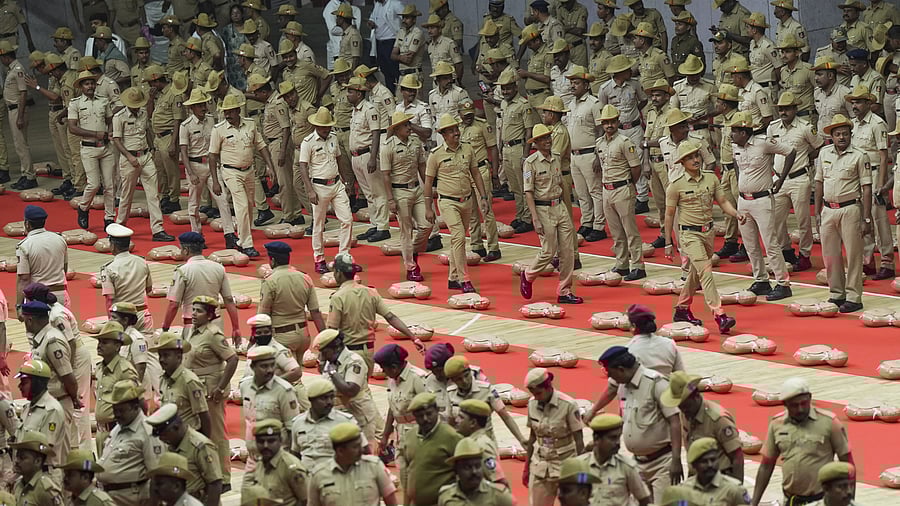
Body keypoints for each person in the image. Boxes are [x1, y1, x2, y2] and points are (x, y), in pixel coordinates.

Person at [664, 140, 743, 331]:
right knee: (706, 272)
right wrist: (668, 242)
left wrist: (736, 214)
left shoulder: (711, 178)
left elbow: (723, 201)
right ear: (682, 162)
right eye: (690, 158)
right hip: (689, 235)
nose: (695, 160)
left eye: (696, 156)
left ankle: (682, 309)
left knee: (695, 273)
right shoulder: (675, 185)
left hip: (708, 232)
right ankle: (719, 315)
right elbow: (669, 215)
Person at [598, 346, 683, 503]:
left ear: (621, 369)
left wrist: (676, 460)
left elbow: (675, 420)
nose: (610, 377)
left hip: (662, 463)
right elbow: (624, 418)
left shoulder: (656, 383)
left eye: (611, 373)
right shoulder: (622, 386)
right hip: (637, 463)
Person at [750, 377, 852, 506]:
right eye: (794, 405)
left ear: (810, 398)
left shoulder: (829, 423)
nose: (800, 409)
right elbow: (766, 466)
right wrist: (754, 503)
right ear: (785, 404)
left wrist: (849, 501)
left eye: (804, 403)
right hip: (791, 500)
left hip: (821, 500)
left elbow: (848, 464)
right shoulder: (776, 424)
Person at [730, 110, 797, 300]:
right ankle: (761, 280)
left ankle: (783, 283)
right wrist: (740, 181)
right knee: (750, 244)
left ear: (744, 132)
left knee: (770, 243)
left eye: (734, 131)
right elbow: (736, 163)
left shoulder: (763, 143)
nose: (731, 134)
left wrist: (780, 180)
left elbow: (790, 151)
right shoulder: (735, 147)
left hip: (762, 200)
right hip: (743, 200)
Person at [425, 114, 492, 292]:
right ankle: (465, 279)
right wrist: (428, 207)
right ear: (443, 135)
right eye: (451, 131)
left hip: (467, 200)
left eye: (456, 129)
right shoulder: (435, 155)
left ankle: (453, 277)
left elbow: (476, 173)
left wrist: (483, 198)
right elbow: (428, 182)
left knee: (458, 240)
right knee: (459, 236)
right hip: (448, 202)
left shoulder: (468, 148)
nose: (456, 133)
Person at [585, 304, 686, 421]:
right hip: (666, 403)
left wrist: (593, 410)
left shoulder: (629, 350)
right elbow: (682, 377)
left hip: (637, 406)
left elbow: (612, 388)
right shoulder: (669, 344)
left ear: (633, 326)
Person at [208, 93, 278, 257]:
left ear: (238, 110)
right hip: (230, 171)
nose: (227, 115)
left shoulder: (250, 124)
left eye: (230, 111)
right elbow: (212, 156)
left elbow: (261, 146)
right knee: (242, 206)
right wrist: (216, 181)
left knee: (249, 206)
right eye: (225, 112)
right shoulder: (218, 129)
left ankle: (242, 239)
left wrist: (271, 167)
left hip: (249, 170)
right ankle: (247, 244)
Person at [520, 123, 583, 303]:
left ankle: (564, 290)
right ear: (536, 143)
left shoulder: (556, 157)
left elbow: (561, 183)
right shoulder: (530, 163)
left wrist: (566, 205)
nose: (547, 141)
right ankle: (528, 275)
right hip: (543, 209)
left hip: (559, 205)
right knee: (548, 251)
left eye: (548, 137)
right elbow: (528, 192)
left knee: (568, 251)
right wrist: (535, 218)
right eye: (542, 139)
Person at [815, 113, 871, 312]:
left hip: (850, 209)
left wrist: (866, 218)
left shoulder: (860, 155)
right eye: (838, 134)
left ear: (850, 135)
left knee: (854, 255)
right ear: (832, 136)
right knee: (830, 255)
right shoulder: (824, 153)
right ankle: (836, 293)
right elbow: (819, 182)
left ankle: (854, 297)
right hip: (828, 209)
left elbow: (866, 188)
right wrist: (817, 212)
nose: (841, 137)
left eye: (845, 133)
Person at [184, 296, 238, 489]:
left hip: (211, 391)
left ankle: (224, 478)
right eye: (193, 309)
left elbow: (232, 359)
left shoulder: (213, 334)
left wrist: (221, 387)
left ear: (209, 315)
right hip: (195, 389)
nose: (194, 314)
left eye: (199, 311)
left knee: (216, 433)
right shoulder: (191, 331)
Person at [769, 91, 823, 272]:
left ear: (795, 109)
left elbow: (820, 146)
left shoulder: (805, 127)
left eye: (787, 109)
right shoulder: (773, 127)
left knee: (803, 220)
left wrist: (807, 157)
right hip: (778, 177)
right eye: (781, 109)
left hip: (799, 178)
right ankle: (786, 250)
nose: (783, 112)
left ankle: (805, 255)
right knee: (776, 219)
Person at [112, 86, 175, 241]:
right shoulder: (119, 117)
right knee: (127, 194)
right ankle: (120, 225)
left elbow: (147, 131)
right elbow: (116, 140)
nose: (136, 107)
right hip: (129, 158)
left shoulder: (143, 113)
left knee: (154, 194)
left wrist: (151, 148)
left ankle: (158, 229)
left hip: (146, 156)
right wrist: (129, 156)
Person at [297, 106, 355, 273]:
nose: (326, 129)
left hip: (336, 184)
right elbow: (303, 166)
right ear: (316, 126)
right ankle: (319, 259)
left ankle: (343, 257)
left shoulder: (333, 137)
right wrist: (310, 190)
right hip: (319, 186)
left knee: (347, 220)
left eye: (328, 126)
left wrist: (346, 181)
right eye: (323, 126)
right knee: (319, 224)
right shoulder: (308, 142)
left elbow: (339, 159)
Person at [593, 104, 646, 280]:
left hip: (622, 188)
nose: (609, 125)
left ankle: (638, 266)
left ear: (618, 122)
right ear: (602, 124)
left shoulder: (625, 142)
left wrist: (629, 185)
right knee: (616, 232)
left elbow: (636, 167)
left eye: (612, 122)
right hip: (606, 190)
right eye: (606, 122)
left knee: (630, 231)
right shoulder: (599, 143)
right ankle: (622, 264)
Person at [660, 372, 744, 482]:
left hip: (719, 480)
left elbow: (737, 457)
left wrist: (737, 488)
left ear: (695, 395)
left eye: (686, 405)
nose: (683, 410)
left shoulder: (718, 419)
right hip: (696, 479)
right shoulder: (686, 413)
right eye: (680, 406)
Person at [847, 84, 894, 279]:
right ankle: (868, 261)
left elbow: (883, 156)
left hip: (874, 174)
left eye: (858, 102)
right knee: (862, 218)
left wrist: (881, 184)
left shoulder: (877, 123)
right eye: (853, 102)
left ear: (868, 103)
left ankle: (887, 262)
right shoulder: (852, 124)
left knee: (879, 219)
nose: (855, 106)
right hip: (858, 176)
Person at [180, 88, 237, 246]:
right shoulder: (185, 126)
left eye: (204, 104)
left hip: (212, 165)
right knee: (194, 203)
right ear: (192, 107)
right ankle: (196, 235)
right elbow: (183, 152)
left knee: (222, 199)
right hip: (195, 165)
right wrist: (190, 173)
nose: (203, 108)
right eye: (199, 105)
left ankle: (229, 234)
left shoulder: (211, 120)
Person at [21, 301, 79, 458]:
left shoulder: (52, 341)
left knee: (58, 455)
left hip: (58, 403)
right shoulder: (42, 338)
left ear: (30, 320)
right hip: (48, 404)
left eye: (24, 319)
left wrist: (74, 398)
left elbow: (67, 375)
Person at [381, 111, 432, 281]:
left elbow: (422, 166)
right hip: (399, 192)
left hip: (416, 189)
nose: (409, 127)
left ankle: (413, 251)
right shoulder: (388, 147)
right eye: (405, 125)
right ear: (396, 129)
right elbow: (386, 175)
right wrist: (390, 199)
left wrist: (428, 189)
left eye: (409, 124)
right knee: (406, 231)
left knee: (427, 225)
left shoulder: (415, 142)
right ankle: (411, 267)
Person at [96, 380, 165, 506]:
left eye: (121, 410)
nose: (117, 415)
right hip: (108, 497)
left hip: (130, 498)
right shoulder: (118, 427)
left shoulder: (148, 432)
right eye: (115, 410)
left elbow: (157, 475)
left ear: (135, 407)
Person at [162, 231, 241, 339]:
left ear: (186, 250)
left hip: (193, 325)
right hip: (215, 323)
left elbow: (174, 305)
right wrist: (236, 328)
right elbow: (229, 300)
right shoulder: (219, 268)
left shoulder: (182, 271)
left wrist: (165, 328)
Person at [523, 367, 584, 506]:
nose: (536, 397)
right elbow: (532, 437)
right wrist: (526, 467)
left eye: (539, 393)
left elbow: (579, 441)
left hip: (566, 464)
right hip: (541, 464)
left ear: (548, 387)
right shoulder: (532, 403)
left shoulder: (568, 405)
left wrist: (582, 473)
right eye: (533, 393)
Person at [597, 56, 650, 214]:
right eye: (627, 69)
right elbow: (603, 110)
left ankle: (642, 197)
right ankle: (626, 192)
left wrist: (634, 112)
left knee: (637, 159)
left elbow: (643, 100)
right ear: (619, 72)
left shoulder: (634, 84)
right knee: (619, 160)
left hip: (634, 127)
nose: (630, 71)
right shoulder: (605, 88)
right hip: (616, 129)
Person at [239, 346, 301, 480]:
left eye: (272, 365)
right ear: (253, 367)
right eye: (264, 366)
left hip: (277, 460)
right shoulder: (245, 386)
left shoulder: (284, 391)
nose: (269, 370)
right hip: (253, 460)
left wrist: (292, 463)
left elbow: (293, 430)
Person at [314, 329, 385, 446]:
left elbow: (350, 390)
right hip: (339, 412)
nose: (322, 356)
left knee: (364, 447)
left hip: (358, 412)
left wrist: (333, 373)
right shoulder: (331, 360)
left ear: (336, 346)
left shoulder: (354, 361)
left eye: (324, 352)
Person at [258, 241, 324, 362]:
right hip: (303, 335)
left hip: (282, 336)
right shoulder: (305, 277)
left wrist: (257, 341)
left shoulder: (270, 281)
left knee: (284, 372)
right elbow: (315, 312)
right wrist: (325, 338)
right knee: (297, 371)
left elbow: (263, 315)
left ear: (272, 260)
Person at [374, 343, 427, 490]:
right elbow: (392, 408)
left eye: (384, 368)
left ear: (394, 366)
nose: (382, 371)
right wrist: (385, 435)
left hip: (417, 433)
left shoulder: (418, 378)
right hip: (401, 433)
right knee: (404, 475)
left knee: (420, 476)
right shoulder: (392, 379)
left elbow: (429, 408)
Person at [147, 404, 223, 505]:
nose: (162, 439)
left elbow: (215, 484)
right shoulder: (170, 444)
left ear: (176, 427)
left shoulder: (200, 446)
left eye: (164, 434)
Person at [307, 422, 398, 506]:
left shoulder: (374, 466)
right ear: (340, 451)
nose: (361, 450)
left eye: (360, 445)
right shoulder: (319, 475)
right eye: (355, 447)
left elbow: (391, 502)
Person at [67, 70, 114, 230]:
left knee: (109, 186)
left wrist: (110, 133)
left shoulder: (103, 101)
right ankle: (83, 208)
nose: (90, 86)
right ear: (81, 87)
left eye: (92, 83)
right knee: (93, 184)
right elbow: (72, 128)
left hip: (106, 148)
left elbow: (110, 120)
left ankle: (109, 218)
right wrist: (95, 134)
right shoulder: (75, 103)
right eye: (87, 84)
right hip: (88, 148)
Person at [444, 356, 527, 445]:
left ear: (470, 372)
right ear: (453, 380)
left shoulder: (487, 390)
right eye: (459, 379)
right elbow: (450, 422)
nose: (464, 381)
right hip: (463, 445)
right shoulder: (450, 394)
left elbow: (505, 416)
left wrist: (521, 439)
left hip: (486, 445)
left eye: (466, 375)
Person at [346, 76, 390, 244]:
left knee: (377, 192)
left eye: (350, 91)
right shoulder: (355, 110)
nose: (347, 95)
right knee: (369, 193)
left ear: (359, 93)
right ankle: (375, 224)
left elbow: (375, 134)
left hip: (367, 155)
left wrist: (373, 157)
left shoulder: (369, 109)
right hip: (356, 156)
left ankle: (383, 227)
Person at [566, 65, 607, 242]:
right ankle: (587, 222)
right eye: (571, 83)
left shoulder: (594, 103)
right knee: (581, 193)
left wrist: (599, 155)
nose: (572, 86)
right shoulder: (571, 104)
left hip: (590, 152)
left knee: (595, 191)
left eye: (576, 83)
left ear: (586, 85)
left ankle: (599, 226)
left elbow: (601, 131)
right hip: (574, 155)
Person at [290, 376, 368, 468]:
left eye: (331, 397)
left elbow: (365, 451)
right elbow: (295, 454)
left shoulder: (345, 421)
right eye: (324, 398)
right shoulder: (298, 423)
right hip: (307, 474)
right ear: (311, 399)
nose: (329, 402)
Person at [576, 414, 651, 505]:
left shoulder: (626, 467)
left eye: (619, 437)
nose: (618, 443)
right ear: (596, 439)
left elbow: (644, 499)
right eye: (612, 438)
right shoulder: (580, 466)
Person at [403, 392, 463, 506]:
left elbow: (463, 473)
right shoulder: (410, 437)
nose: (425, 419)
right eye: (420, 416)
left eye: (429, 414)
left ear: (437, 410)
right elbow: (408, 473)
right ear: (414, 416)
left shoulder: (451, 436)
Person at [459, 102, 502, 262]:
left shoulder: (482, 125)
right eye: (465, 114)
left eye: (471, 114)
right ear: (459, 113)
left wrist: (495, 173)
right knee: (470, 211)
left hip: (481, 169)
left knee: (486, 210)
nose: (468, 117)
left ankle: (494, 247)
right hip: (465, 172)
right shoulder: (457, 128)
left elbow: (493, 148)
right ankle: (476, 245)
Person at [145, 65, 188, 215]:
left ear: (156, 81)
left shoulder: (173, 94)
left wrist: (173, 143)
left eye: (150, 83)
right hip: (158, 137)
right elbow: (149, 115)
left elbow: (177, 120)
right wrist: (150, 99)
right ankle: (165, 196)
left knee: (171, 171)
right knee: (160, 170)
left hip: (168, 136)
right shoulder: (158, 96)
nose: (150, 86)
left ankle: (174, 200)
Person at [152, 331, 211, 436]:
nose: (161, 360)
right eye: (160, 356)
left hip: (188, 436)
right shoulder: (162, 379)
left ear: (179, 357)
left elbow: (204, 415)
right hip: (169, 436)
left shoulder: (189, 381)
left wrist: (206, 442)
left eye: (166, 355)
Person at [92, 321, 139, 453]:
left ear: (117, 346)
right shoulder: (100, 368)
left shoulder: (125, 370)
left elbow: (137, 403)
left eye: (105, 342)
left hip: (118, 432)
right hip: (101, 432)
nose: (100, 345)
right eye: (99, 341)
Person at [14, 359, 67, 468]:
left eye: (24, 383)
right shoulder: (27, 408)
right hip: (27, 471)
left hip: (44, 472)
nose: (20, 386)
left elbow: (45, 447)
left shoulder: (52, 410)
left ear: (37, 383)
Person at [109, 302, 162, 408]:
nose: (110, 320)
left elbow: (141, 368)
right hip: (123, 388)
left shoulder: (137, 339)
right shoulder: (119, 335)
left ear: (125, 320)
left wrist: (134, 393)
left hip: (136, 392)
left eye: (114, 318)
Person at [15, 205, 68, 309]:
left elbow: (24, 279)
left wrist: (19, 305)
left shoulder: (24, 246)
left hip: (38, 298)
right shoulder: (60, 239)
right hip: (61, 294)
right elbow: (64, 268)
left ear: (27, 223)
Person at [246, 419, 308, 506]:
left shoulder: (291, 467)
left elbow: (306, 500)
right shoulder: (259, 464)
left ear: (280, 441)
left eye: (271, 441)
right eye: (261, 441)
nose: (266, 446)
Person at [438, 438, 514, 506]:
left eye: (477, 466)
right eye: (467, 467)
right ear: (456, 470)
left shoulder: (498, 495)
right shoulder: (446, 496)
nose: (474, 471)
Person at [0, 40, 32, 190]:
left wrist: (20, 116)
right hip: (12, 110)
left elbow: (23, 93)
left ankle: (30, 176)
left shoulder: (18, 69)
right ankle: (25, 173)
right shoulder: (11, 70)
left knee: (22, 145)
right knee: (19, 145)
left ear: (6, 57)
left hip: (17, 110)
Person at [453, 399, 507, 487]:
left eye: (461, 417)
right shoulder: (472, 441)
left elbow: (499, 480)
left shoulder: (482, 445)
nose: (456, 420)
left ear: (473, 423)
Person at [680, 438, 750, 505]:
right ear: (694, 465)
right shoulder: (685, 489)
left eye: (713, 460)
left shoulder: (734, 490)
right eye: (704, 461)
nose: (710, 465)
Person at [11, 430, 64, 505]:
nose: (16, 461)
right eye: (17, 456)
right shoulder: (18, 484)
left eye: (22, 458)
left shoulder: (45, 490)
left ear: (38, 461)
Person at [814, 56, 852, 144]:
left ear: (830, 75)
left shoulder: (844, 93)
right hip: (821, 141)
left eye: (820, 74)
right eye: (816, 75)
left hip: (840, 141)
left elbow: (854, 119)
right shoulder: (817, 93)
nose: (816, 78)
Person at [393, 4, 426, 89]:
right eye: (403, 17)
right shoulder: (401, 32)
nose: (404, 20)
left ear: (414, 20)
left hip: (414, 75)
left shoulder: (417, 33)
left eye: (407, 18)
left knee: (414, 97)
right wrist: (401, 57)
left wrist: (397, 57)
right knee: (399, 97)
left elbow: (408, 59)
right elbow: (392, 55)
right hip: (402, 75)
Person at [333, 3, 362, 70]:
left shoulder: (353, 34)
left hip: (349, 70)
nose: (336, 19)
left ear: (342, 19)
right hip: (344, 68)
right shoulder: (346, 34)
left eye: (337, 17)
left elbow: (355, 58)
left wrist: (352, 73)